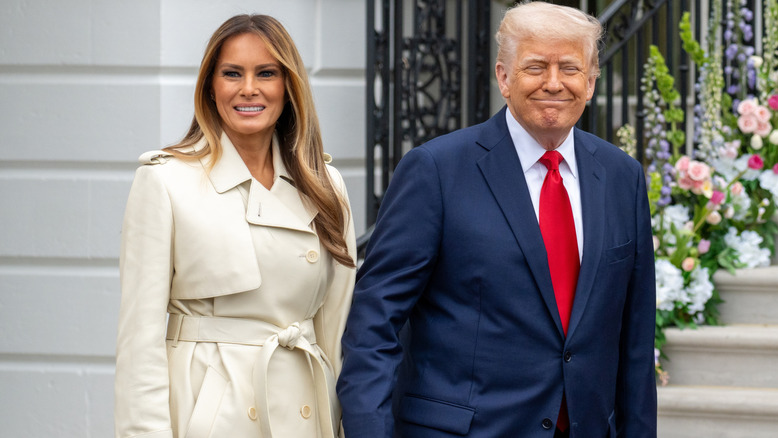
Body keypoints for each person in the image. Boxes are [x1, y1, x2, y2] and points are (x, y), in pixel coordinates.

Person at [337, 2, 656, 437]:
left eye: (570, 68)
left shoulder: (623, 177)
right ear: (503, 77)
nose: (553, 83)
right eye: (536, 66)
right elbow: (375, 322)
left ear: (592, 82)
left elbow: (635, 341)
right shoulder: (435, 170)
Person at [114, 14, 356, 438]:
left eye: (266, 73)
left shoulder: (324, 185)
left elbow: (336, 330)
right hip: (210, 415)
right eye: (232, 74)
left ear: (288, 86)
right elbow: (140, 343)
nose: (249, 89)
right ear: (211, 85)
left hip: (304, 413)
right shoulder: (165, 180)